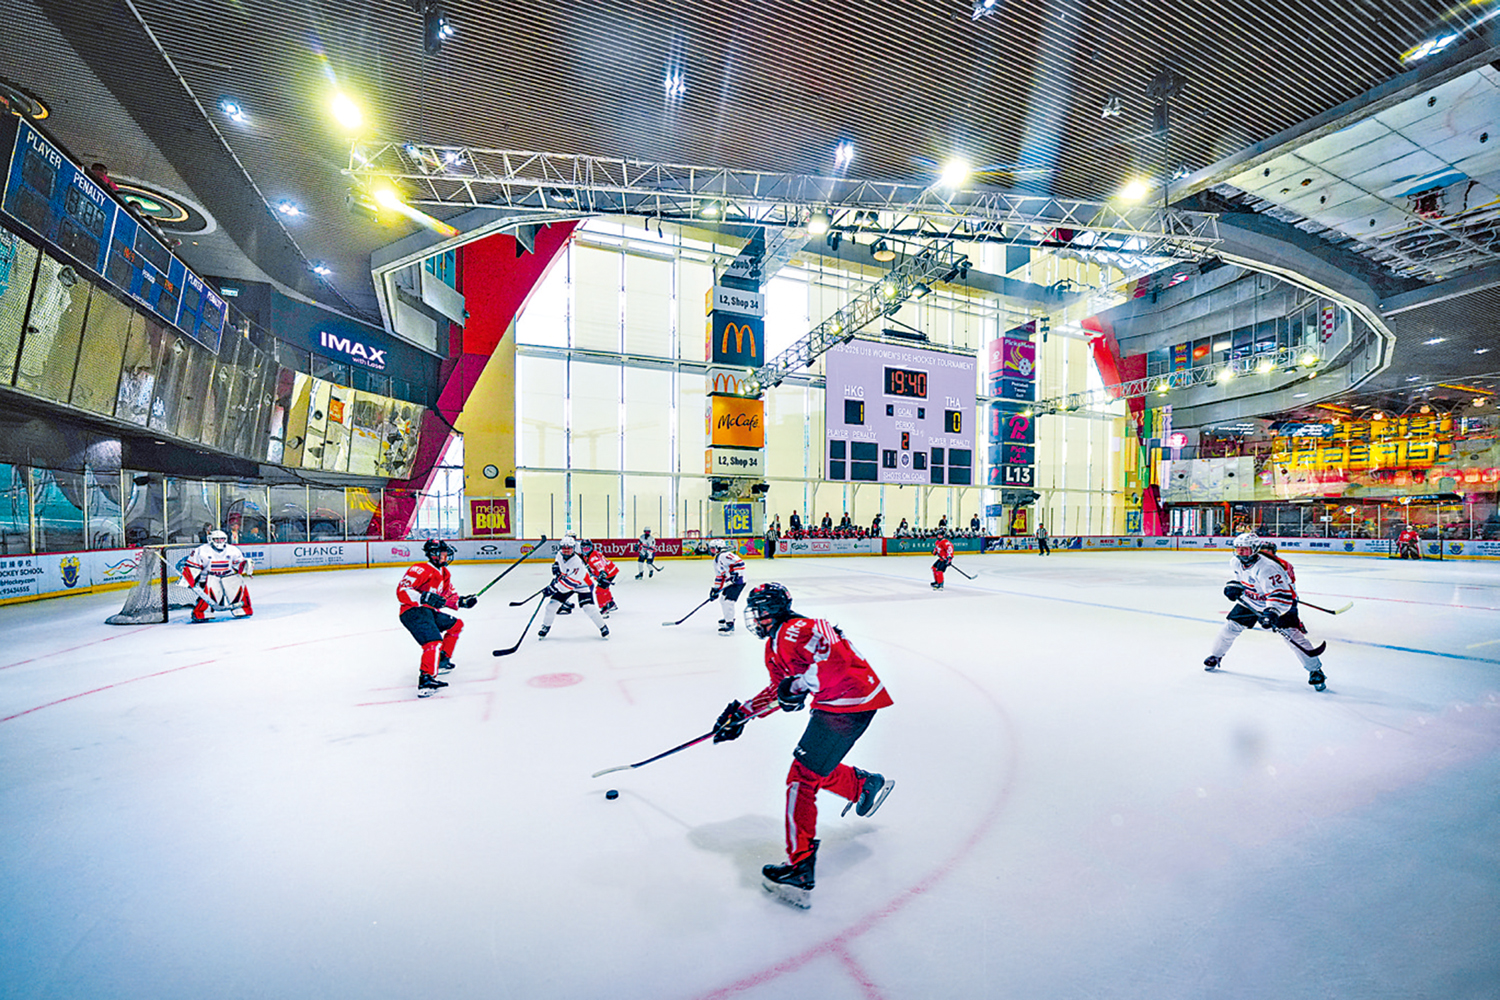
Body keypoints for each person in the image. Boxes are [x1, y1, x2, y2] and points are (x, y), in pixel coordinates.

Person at [711, 583, 894, 909]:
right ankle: (862, 785)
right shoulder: (774, 644)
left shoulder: (797, 629)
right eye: (755, 612)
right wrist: (742, 714)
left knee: (801, 779)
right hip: (838, 704)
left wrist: (799, 685)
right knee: (811, 769)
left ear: (776, 609)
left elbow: (834, 659)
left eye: (761, 611)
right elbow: (778, 690)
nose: (756, 618)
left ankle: (800, 867)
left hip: (850, 703)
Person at [1204, 532, 1327, 690]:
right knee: (1230, 628)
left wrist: (1272, 612)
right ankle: (1216, 656)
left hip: (1280, 604)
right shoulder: (1235, 562)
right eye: (1238, 549)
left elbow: (1279, 594)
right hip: (1252, 601)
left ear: (1255, 549)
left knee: (1293, 636)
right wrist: (1233, 587)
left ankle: (1315, 670)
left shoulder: (1268, 568)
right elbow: (1243, 579)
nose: (1241, 553)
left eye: (1245, 549)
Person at [396, 539, 477, 697]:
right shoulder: (420, 569)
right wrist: (423, 597)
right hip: (413, 611)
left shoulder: (445, 573)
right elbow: (402, 590)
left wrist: (462, 602)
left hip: (429, 612)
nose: (446, 557)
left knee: (456, 625)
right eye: (443, 554)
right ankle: (426, 680)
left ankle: (442, 659)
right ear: (433, 555)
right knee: (433, 642)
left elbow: (447, 596)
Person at [540, 536, 608, 639]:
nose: (566, 550)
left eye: (569, 548)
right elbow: (558, 562)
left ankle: (602, 627)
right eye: (564, 548)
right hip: (566, 582)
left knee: (588, 608)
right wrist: (556, 566)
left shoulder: (577, 563)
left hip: (582, 584)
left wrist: (553, 588)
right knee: (551, 606)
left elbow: (570, 584)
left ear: (573, 548)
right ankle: (546, 626)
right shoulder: (559, 554)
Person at [181, 529, 254, 622]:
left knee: (238, 586)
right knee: (210, 595)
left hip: (228, 575)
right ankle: (203, 612)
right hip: (209, 577)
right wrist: (189, 579)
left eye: (222, 539)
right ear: (210, 539)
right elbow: (193, 566)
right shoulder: (201, 550)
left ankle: (242, 609)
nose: (220, 542)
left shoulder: (233, 550)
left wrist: (245, 565)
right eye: (217, 539)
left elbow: (237, 565)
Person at [708, 538, 748, 634]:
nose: (711, 551)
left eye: (713, 549)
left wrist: (736, 574)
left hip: (738, 582)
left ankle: (730, 624)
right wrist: (716, 589)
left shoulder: (724, 555)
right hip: (732, 582)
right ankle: (728, 617)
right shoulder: (716, 560)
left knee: (728, 601)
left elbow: (740, 563)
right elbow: (719, 576)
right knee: (723, 599)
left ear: (719, 548)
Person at [580, 539, 619, 615]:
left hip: (608, 573)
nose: (585, 551)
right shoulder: (590, 554)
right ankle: (611, 603)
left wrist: (602, 572)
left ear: (591, 548)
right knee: (605, 588)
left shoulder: (593, 557)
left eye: (587, 548)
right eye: (584, 549)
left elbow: (600, 564)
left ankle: (604, 608)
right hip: (611, 571)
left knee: (599, 590)